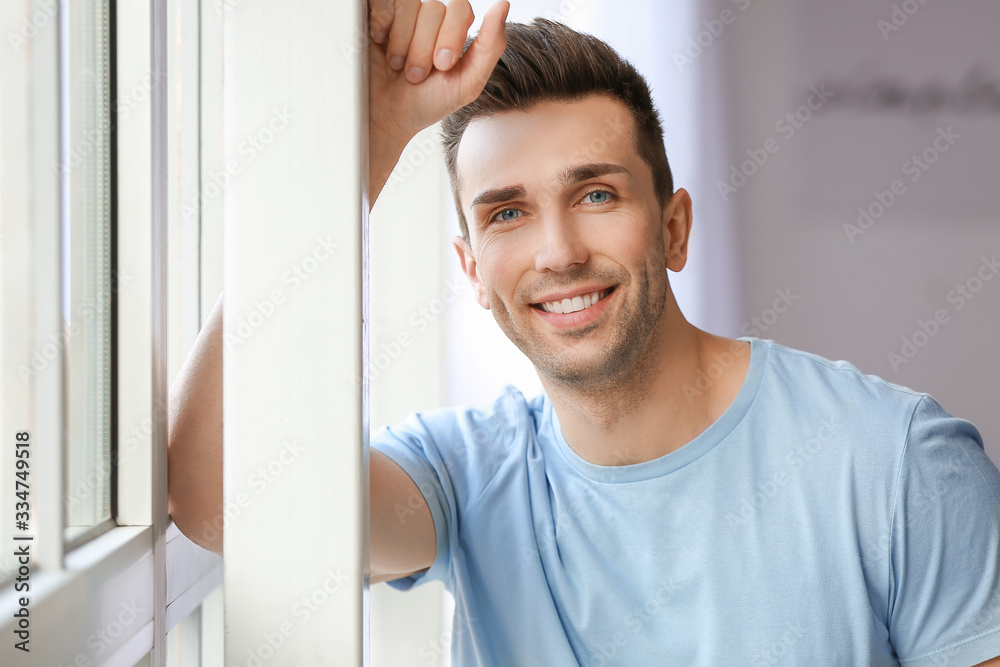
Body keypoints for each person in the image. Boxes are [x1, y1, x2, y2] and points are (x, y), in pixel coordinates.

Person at [168, 1, 1000, 665]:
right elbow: (217, 496)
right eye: (507, 212)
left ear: (674, 229)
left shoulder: (898, 461)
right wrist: (368, 141)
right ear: (473, 273)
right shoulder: (467, 477)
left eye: (596, 194)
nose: (559, 251)